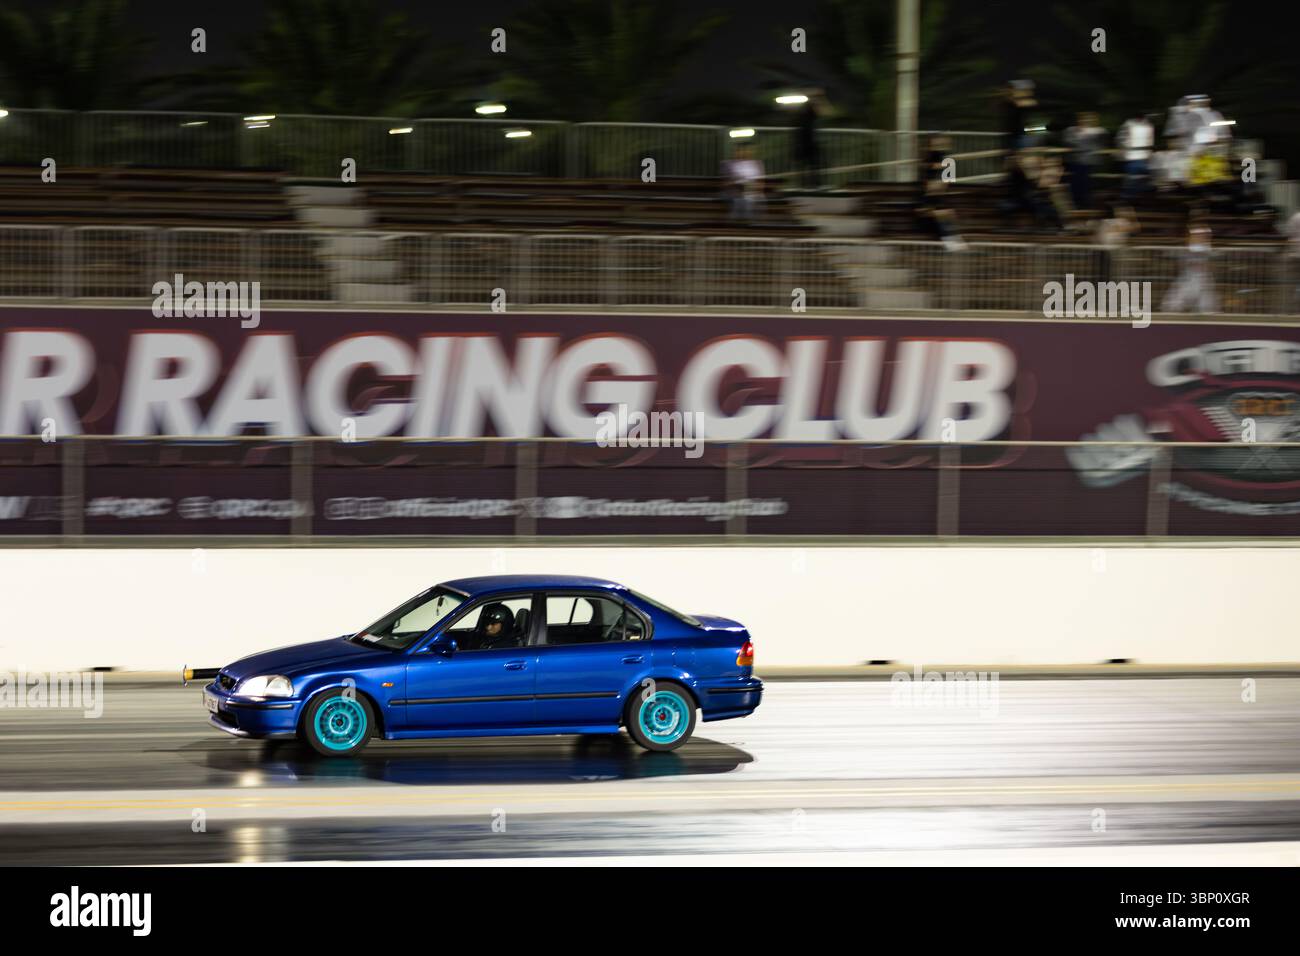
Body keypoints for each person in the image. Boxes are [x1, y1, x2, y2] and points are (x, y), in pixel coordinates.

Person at [915, 134, 967, 250]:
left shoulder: (947, 161)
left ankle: (955, 242)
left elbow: (947, 180)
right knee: (942, 216)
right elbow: (921, 210)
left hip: (938, 216)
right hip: (927, 221)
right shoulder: (924, 192)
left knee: (946, 215)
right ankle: (953, 244)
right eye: (936, 144)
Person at [1162, 224, 1218, 313]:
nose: (1199, 237)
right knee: (1172, 306)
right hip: (1187, 280)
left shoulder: (1207, 249)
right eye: (1196, 235)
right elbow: (1182, 263)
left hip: (1204, 281)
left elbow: (1211, 266)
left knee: (1207, 309)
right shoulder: (1188, 248)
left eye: (1202, 236)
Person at [1064, 111, 1106, 210]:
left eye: (1090, 119)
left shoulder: (1097, 131)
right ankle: (1079, 204)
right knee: (1078, 184)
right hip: (1077, 162)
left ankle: (1086, 204)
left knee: (1088, 184)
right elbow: (1069, 141)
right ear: (1079, 120)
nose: (1087, 121)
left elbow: (1100, 139)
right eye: (1085, 119)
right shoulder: (1072, 130)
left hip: (1090, 162)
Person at [1117, 111, 1155, 198]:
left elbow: (1150, 139)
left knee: (1141, 176)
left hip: (1144, 155)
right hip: (1132, 156)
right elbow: (1121, 139)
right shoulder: (1128, 124)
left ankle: (1138, 195)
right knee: (1133, 176)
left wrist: (1149, 153)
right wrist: (1126, 148)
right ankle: (1129, 195)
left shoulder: (1148, 125)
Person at [723, 145, 765, 220]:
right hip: (735, 192)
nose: (743, 153)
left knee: (751, 199)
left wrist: (754, 188)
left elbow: (760, 183)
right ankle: (741, 223)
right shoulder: (729, 164)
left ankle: (748, 223)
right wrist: (737, 183)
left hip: (752, 191)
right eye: (739, 151)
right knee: (742, 200)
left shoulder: (757, 164)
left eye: (747, 151)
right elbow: (726, 183)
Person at [794, 90, 825, 189]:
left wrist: (819, 99)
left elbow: (822, 112)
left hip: (811, 139)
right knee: (804, 164)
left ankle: (814, 183)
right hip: (803, 139)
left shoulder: (813, 107)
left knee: (813, 164)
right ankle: (804, 184)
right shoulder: (802, 107)